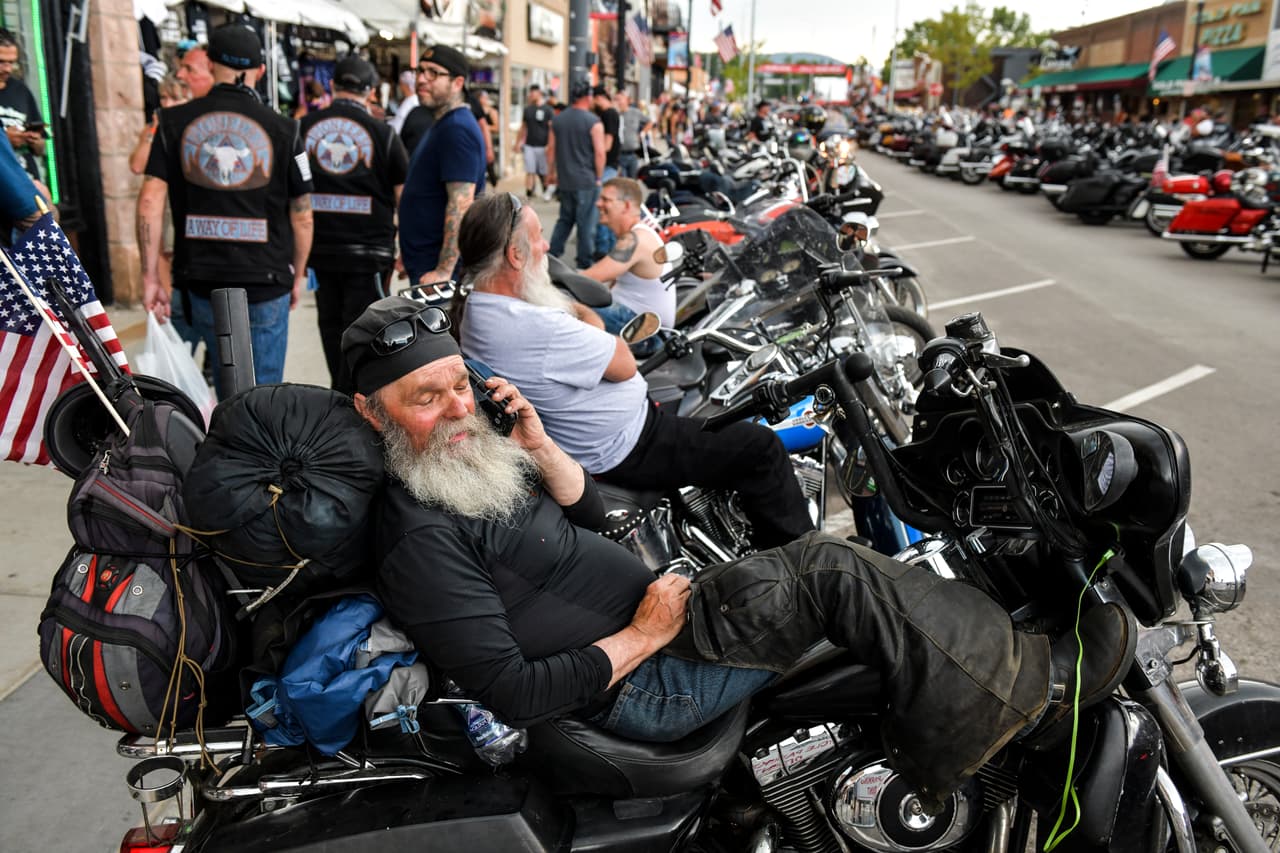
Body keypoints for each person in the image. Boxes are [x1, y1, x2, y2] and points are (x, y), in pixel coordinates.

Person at [342, 293, 1136, 810]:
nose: (456, 408)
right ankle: (1030, 690)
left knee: (843, 570)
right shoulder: (418, 537)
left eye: (459, 385)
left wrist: (541, 446)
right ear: (371, 414)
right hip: (640, 686)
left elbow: (588, 513)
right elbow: (514, 691)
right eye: (426, 397)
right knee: (831, 569)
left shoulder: (463, 469)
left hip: (661, 627)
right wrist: (646, 633)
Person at [458, 191, 813, 549]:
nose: (547, 245)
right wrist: (583, 314)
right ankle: (803, 571)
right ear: (515, 255)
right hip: (629, 445)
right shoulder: (534, 324)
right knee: (761, 446)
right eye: (537, 237)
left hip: (600, 440)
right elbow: (624, 364)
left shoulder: (479, 309)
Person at [137, 23, 314, 397]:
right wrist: (297, 275)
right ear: (261, 71)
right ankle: (251, 452)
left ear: (212, 62)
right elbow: (303, 214)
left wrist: (150, 275)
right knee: (260, 397)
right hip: (265, 280)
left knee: (205, 388)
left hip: (199, 278)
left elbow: (150, 198)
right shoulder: (286, 129)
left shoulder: (172, 123)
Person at [301, 55, 409, 395]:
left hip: (319, 251)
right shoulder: (384, 134)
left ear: (333, 86)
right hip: (369, 253)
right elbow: (402, 196)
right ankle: (354, 404)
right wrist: (404, 248)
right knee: (366, 335)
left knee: (331, 330)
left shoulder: (303, 129)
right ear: (371, 92)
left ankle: (339, 397)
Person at [397, 44, 485, 289]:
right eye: (420, 71)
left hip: (441, 271)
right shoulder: (443, 124)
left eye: (433, 73)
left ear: (457, 83)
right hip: (425, 261)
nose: (422, 79)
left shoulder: (457, 129)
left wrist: (444, 271)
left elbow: (461, 203)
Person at [580, 177, 672, 336]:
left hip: (645, 331)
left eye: (605, 199)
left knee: (568, 307)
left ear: (626, 206)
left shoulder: (636, 239)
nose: (597, 204)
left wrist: (548, 281)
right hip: (635, 321)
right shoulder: (637, 233)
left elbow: (590, 278)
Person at [546, 81, 605, 270]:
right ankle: (584, 263)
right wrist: (599, 177)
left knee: (565, 219)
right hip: (586, 179)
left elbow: (551, 150)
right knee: (586, 223)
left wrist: (550, 173)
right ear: (588, 97)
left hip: (565, 179)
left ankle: (551, 256)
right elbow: (600, 152)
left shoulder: (558, 120)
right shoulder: (593, 121)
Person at [0, 28, 46, 182]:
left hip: (28, 179)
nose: (7, 69)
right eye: (1, 62)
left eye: (11, 62)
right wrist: (5, 141)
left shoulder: (20, 90)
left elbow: (41, 149)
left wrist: (34, 141)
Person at [515, 84, 551, 199]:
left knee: (543, 170)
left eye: (533, 93)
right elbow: (523, 127)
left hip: (543, 145)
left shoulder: (548, 110)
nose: (531, 95)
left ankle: (546, 190)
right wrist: (518, 142)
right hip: (529, 144)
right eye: (530, 93)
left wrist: (550, 144)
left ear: (539, 93)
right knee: (530, 169)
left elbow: (551, 129)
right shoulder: (528, 110)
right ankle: (529, 192)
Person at [615, 92, 649, 180]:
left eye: (619, 99)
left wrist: (642, 133)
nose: (618, 102)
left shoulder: (635, 112)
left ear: (627, 101)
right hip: (619, 155)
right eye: (616, 99)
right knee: (623, 182)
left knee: (633, 181)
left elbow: (650, 122)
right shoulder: (614, 114)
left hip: (633, 154)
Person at [388, 70, 418, 136]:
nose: (400, 87)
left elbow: (397, 127)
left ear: (404, 85)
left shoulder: (410, 102)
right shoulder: (411, 99)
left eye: (400, 84)